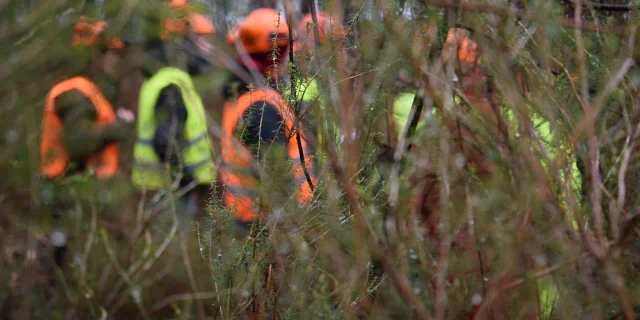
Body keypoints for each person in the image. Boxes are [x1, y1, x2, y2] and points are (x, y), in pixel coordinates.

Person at [40, 16, 134, 271]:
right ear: (93, 52)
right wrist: (119, 128)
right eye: (109, 53)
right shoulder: (75, 93)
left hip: (74, 184)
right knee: (61, 259)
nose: (114, 60)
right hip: (66, 185)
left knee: (68, 255)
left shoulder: (85, 89)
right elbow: (79, 142)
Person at [222, 8, 317, 230]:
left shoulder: (244, 95)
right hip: (269, 225)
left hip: (251, 219)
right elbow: (274, 177)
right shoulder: (261, 105)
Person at [131, 5, 216, 215]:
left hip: (163, 191)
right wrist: (188, 179)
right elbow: (165, 141)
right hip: (171, 195)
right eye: (203, 40)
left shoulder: (167, 79)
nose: (209, 49)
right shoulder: (172, 85)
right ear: (184, 43)